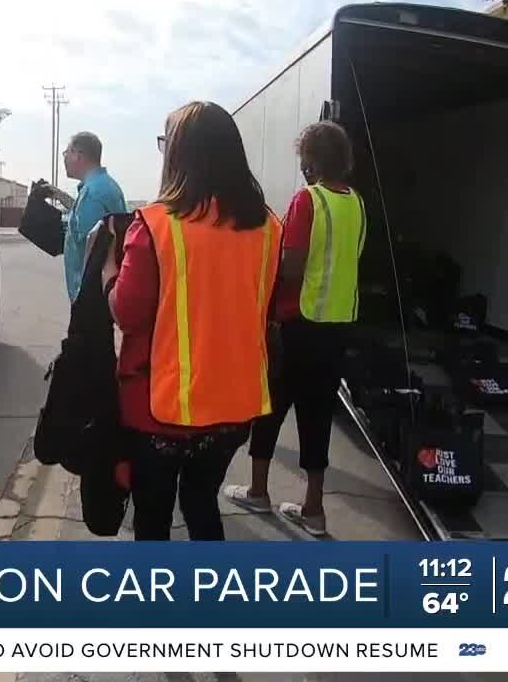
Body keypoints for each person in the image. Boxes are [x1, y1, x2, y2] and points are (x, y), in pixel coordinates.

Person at [103, 102, 280, 541]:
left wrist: (109, 266)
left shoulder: (155, 225)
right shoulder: (269, 228)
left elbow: (126, 311)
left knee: (153, 518)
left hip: (163, 409)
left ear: (178, 154)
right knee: (202, 504)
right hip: (234, 408)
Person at [224, 120, 367, 538]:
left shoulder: (309, 201)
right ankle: (313, 510)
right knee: (317, 414)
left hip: (298, 324)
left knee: (270, 407)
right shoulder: (356, 203)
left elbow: (291, 267)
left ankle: (257, 490)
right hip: (337, 326)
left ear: (313, 161)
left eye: (304, 157)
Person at [51, 132, 126, 303]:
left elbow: (93, 251)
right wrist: (61, 196)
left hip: (91, 298)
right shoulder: (105, 185)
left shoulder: (92, 194)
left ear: (79, 155)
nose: (65, 159)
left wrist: (84, 302)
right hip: (103, 292)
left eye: (66, 153)